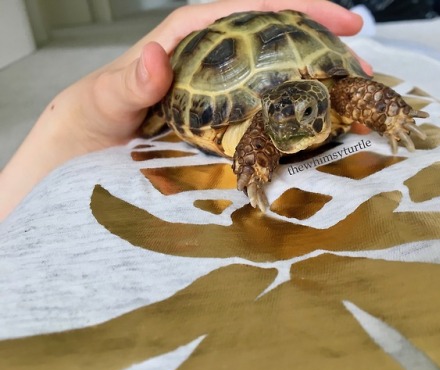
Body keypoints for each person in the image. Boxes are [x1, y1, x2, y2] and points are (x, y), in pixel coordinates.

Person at [0, 0, 371, 221]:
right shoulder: (258, 128)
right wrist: (72, 125)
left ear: (320, 97)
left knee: (365, 95)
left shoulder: (338, 92)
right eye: (280, 114)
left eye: (307, 109)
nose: (295, 119)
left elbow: (357, 91)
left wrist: (388, 111)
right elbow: (259, 132)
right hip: (224, 98)